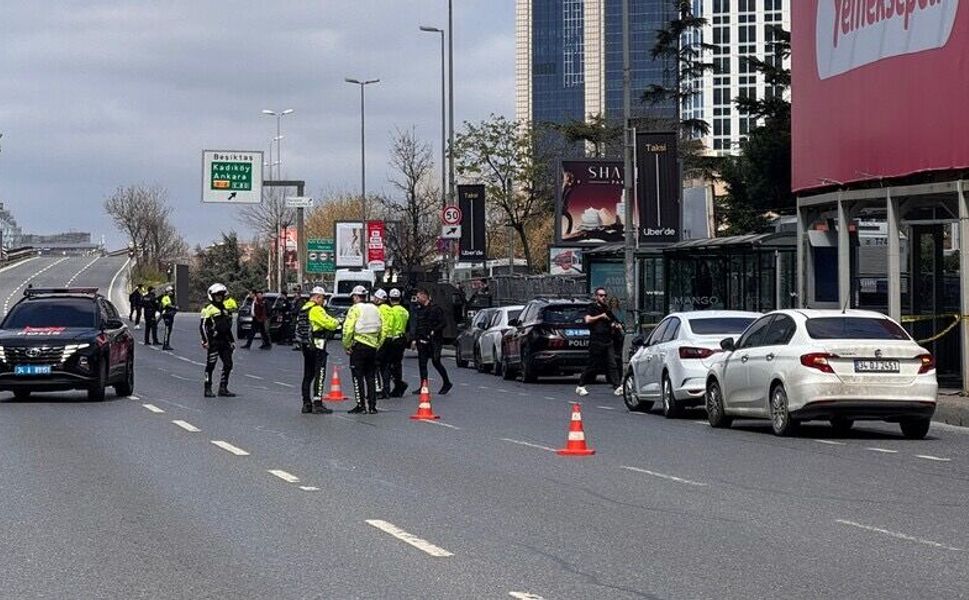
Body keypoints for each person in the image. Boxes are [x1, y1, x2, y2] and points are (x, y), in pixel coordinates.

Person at [296, 286, 341, 414]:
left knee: (307, 375)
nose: (324, 301)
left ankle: (306, 403)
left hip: (306, 345)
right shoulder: (316, 309)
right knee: (319, 374)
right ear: (317, 297)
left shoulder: (304, 308)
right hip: (317, 345)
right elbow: (330, 324)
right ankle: (318, 403)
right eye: (323, 298)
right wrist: (337, 321)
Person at [342, 285, 384, 414]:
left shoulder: (354, 309)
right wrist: (377, 344)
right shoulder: (375, 309)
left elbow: (348, 329)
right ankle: (372, 406)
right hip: (372, 347)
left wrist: (347, 345)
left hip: (358, 347)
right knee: (370, 377)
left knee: (357, 377)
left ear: (355, 297)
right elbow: (383, 329)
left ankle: (361, 406)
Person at [576, 287, 623, 397]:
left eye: (605, 295)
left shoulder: (607, 309)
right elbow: (587, 320)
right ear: (596, 297)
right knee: (592, 365)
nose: (604, 298)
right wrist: (600, 316)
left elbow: (614, 321)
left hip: (607, 340)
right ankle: (581, 385)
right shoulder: (592, 308)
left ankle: (617, 387)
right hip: (596, 341)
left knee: (612, 364)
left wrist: (616, 325)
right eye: (601, 295)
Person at [200, 283, 236, 398]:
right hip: (213, 341)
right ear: (212, 296)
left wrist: (231, 341)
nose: (219, 298)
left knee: (228, 364)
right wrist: (205, 340)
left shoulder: (225, 309)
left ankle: (223, 388)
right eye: (217, 296)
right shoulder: (208, 309)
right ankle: (207, 388)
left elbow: (227, 327)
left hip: (224, 341)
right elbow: (202, 326)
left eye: (221, 296)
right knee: (211, 365)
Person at [412, 288, 451, 395]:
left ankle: (447, 382)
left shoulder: (435, 309)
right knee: (422, 364)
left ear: (425, 296)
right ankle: (423, 386)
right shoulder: (419, 309)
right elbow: (418, 326)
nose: (417, 299)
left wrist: (434, 331)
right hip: (422, 340)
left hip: (435, 341)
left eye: (419, 297)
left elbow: (443, 323)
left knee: (436, 361)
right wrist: (415, 339)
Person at [386, 288, 410, 397]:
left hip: (393, 339)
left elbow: (389, 326)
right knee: (398, 364)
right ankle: (398, 385)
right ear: (400, 299)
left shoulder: (391, 311)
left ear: (390, 299)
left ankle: (399, 384)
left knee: (388, 364)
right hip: (402, 338)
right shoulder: (405, 311)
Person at [372, 289, 395, 398]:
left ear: (378, 299)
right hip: (391, 339)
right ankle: (386, 390)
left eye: (375, 297)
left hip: (382, 339)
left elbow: (378, 324)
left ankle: (377, 389)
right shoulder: (390, 309)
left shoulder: (378, 310)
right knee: (386, 366)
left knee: (375, 365)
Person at [160, 286, 178, 351]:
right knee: (167, 331)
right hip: (167, 315)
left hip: (170, 315)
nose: (172, 292)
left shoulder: (171, 298)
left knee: (169, 330)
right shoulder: (165, 298)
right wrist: (174, 307)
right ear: (168, 292)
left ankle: (167, 344)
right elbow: (167, 305)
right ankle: (165, 345)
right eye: (171, 291)